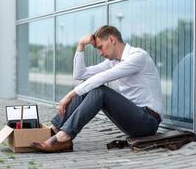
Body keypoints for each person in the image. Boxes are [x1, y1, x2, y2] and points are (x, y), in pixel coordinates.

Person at [31, 25, 163, 152]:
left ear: (112, 40)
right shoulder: (114, 62)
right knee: (89, 88)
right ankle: (54, 129)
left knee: (99, 91)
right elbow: (80, 75)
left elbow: (103, 77)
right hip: (132, 118)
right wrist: (81, 45)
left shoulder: (138, 57)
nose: (100, 53)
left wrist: (69, 95)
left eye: (101, 47)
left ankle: (64, 137)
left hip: (147, 122)